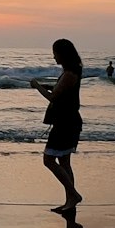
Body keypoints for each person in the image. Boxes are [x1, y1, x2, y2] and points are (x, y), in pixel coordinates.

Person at [30, 38, 83, 212]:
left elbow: (54, 97)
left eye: (55, 53)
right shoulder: (71, 71)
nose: (53, 57)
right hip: (68, 122)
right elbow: (60, 91)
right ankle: (70, 202)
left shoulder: (69, 74)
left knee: (48, 160)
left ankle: (73, 194)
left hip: (65, 124)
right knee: (65, 162)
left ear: (63, 54)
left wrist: (38, 86)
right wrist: (48, 86)